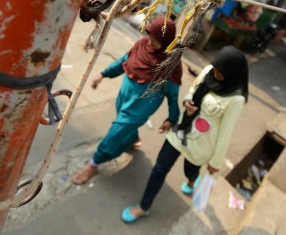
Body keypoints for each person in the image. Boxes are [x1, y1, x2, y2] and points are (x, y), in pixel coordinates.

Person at [121, 46, 248, 223]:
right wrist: (188, 101)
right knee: (159, 168)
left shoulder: (236, 99)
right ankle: (144, 207)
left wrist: (215, 162)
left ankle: (191, 181)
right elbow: (193, 89)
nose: (216, 74)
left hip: (201, 145)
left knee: (190, 171)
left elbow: (226, 132)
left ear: (232, 73)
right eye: (216, 69)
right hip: (181, 130)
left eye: (220, 73)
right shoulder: (209, 71)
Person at [71, 17, 182, 185]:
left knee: (114, 133)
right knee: (123, 128)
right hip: (124, 98)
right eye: (150, 37)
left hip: (140, 108)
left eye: (156, 41)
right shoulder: (142, 44)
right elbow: (124, 61)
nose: (150, 43)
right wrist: (104, 74)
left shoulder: (170, 64)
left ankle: (94, 163)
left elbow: (173, 95)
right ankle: (133, 139)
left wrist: (172, 118)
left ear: (166, 42)